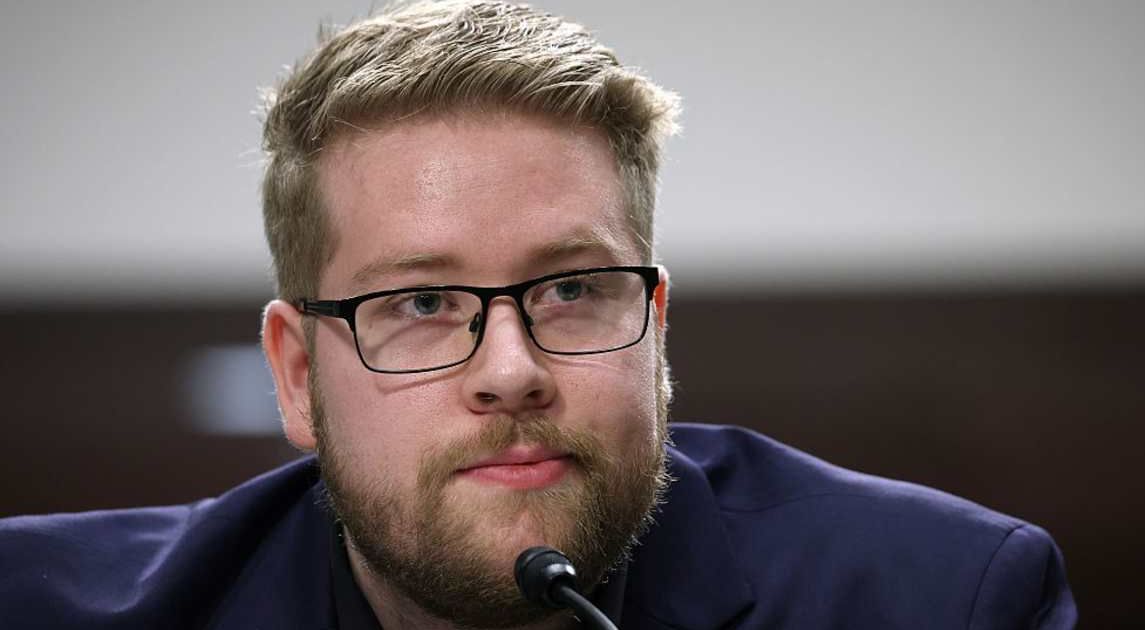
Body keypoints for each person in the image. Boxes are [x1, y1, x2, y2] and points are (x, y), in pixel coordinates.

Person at [0, 1, 1076, 628]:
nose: (511, 370)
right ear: (297, 376)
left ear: (655, 328)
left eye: (571, 288)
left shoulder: (944, 599)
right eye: (421, 301)